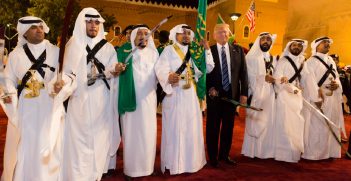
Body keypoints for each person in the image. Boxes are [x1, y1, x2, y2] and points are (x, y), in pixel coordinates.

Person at [1, 16, 73, 181]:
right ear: (24, 32)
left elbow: (69, 75)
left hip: (51, 104)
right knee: (28, 145)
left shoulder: (56, 51)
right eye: (34, 27)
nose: (39, 30)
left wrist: (60, 83)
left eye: (41, 27)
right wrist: (13, 108)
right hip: (26, 108)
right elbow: (6, 83)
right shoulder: (15, 55)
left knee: (52, 144)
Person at [62, 8, 122, 181]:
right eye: (89, 21)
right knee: (79, 136)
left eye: (97, 22)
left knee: (100, 135)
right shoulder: (73, 45)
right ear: (82, 23)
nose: (93, 25)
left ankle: (97, 171)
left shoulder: (108, 47)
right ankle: (79, 173)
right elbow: (66, 72)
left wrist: (115, 69)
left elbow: (111, 69)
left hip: (101, 98)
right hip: (79, 97)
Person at [155, 24, 214, 174]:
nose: (186, 35)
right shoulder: (168, 50)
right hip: (174, 93)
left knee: (191, 128)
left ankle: (192, 163)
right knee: (174, 127)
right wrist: (168, 76)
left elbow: (209, 68)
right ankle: (174, 164)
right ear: (176, 35)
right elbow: (159, 68)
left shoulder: (195, 51)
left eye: (189, 33)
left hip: (191, 95)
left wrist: (207, 50)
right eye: (183, 33)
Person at [118, 24, 159, 178]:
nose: (143, 36)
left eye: (146, 33)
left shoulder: (154, 54)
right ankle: (131, 169)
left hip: (148, 101)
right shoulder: (124, 52)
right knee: (131, 134)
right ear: (134, 36)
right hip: (130, 99)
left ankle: (147, 167)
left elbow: (160, 74)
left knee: (148, 134)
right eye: (139, 33)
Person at [206, 23, 248, 167]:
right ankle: (212, 158)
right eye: (218, 32)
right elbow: (204, 75)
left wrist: (244, 94)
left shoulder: (238, 51)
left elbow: (243, 73)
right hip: (214, 95)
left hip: (232, 96)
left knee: (228, 128)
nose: (222, 34)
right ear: (214, 35)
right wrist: (209, 88)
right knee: (213, 128)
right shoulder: (208, 51)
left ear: (229, 34)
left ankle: (224, 155)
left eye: (224, 32)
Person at [273, 39, 321, 162]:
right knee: (285, 125)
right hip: (285, 96)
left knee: (297, 124)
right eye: (294, 45)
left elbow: (308, 80)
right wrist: (286, 84)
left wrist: (316, 96)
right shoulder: (283, 61)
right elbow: (277, 78)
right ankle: (283, 154)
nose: (296, 47)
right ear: (289, 47)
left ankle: (294, 153)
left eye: (299, 46)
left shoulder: (303, 63)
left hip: (298, 97)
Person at [302, 37, 345, 160]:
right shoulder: (310, 62)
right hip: (319, 99)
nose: (327, 44)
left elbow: (335, 76)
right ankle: (314, 154)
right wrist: (316, 98)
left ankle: (330, 152)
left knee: (332, 124)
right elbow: (309, 82)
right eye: (324, 42)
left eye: (328, 43)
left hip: (332, 98)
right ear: (316, 45)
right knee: (317, 125)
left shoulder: (331, 60)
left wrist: (337, 84)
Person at [241, 32, 277, 159]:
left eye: (269, 39)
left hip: (270, 95)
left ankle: (266, 151)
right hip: (256, 94)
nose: (266, 41)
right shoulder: (251, 57)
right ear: (258, 41)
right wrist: (263, 78)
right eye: (263, 39)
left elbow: (275, 75)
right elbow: (248, 77)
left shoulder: (272, 58)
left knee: (268, 122)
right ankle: (253, 151)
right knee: (256, 122)